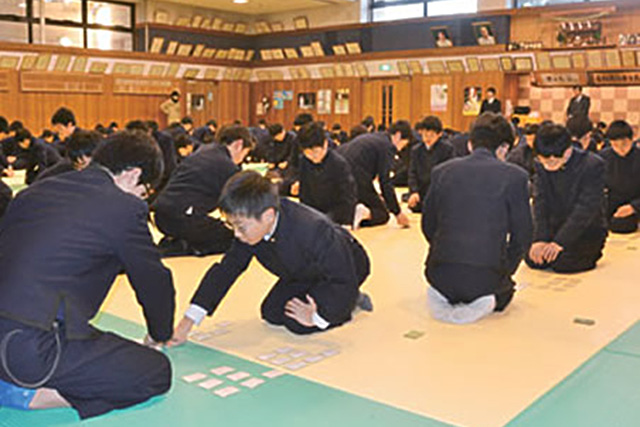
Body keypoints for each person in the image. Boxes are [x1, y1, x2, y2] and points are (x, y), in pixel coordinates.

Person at [0, 131, 175, 419]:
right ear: (133, 175)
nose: (141, 198)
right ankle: (28, 394)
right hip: (28, 350)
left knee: (95, 340)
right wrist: (160, 334)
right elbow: (153, 281)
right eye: (143, 191)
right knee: (155, 371)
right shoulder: (124, 207)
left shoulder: (35, 191)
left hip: (21, 330)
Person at [170, 171, 372, 341]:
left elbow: (342, 276)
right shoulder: (252, 228)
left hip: (345, 268)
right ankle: (330, 301)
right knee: (272, 312)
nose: (236, 234)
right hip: (303, 271)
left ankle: (351, 301)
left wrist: (318, 317)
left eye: (240, 227)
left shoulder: (313, 229)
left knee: (299, 324)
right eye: (232, 226)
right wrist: (188, 321)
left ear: (267, 215)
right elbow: (227, 269)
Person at [422, 112, 532, 324]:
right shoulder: (516, 177)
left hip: (439, 274)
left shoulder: (441, 171)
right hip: (485, 279)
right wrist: (505, 270)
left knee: (453, 281)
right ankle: (487, 299)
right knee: (505, 291)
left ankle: (443, 295)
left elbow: (429, 225)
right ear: (504, 148)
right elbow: (523, 236)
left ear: (470, 144)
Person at [153, 125, 253, 257]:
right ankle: (181, 247)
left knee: (212, 227)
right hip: (182, 219)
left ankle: (177, 241)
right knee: (231, 240)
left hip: (160, 215)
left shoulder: (203, 151)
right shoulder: (226, 166)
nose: (242, 159)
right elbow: (236, 206)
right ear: (239, 144)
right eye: (245, 153)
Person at [526, 124, 607, 273]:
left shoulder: (592, 165)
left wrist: (559, 242)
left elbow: (586, 209)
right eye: (543, 160)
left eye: (552, 162)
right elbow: (540, 202)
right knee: (533, 257)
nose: (547, 166)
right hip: (554, 226)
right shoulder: (541, 164)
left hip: (586, 229)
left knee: (563, 263)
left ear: (568, 151)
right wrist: (540, 239)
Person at [337, 121, 412, 229]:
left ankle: (350, 216)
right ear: (398, 136)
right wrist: (397, 213)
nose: (400, 149)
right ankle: (362, 213)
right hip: (356, 178)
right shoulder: (388, 147)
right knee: (382, 214)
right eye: (403, 144)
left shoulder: (375, 138)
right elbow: (385, 182)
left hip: (340, 176)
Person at [298, 122, 358, 227]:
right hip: (315, 215)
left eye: (316, 151)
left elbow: (348, 199)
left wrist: (334, 219)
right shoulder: (304, 161)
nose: (312, 156)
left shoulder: (339, 164)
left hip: (336, 216)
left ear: (325, 144)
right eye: (308, 152)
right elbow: (304, 194)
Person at [599, 120, 640, 233]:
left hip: (635, 204)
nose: (620, 149)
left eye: (624, 144)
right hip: (611, 204)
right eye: (615, 145)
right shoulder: (603, 157)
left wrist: (633, 207)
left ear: (633, 139)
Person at [408, 116, 454, 213]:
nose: (427, 138)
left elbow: (449, 174)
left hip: (439, 192)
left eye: (431, 135)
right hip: (421, 193)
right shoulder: (416, 150)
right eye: (425, 135)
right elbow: (412, 173)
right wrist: (414, 191)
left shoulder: (447, 149)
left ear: (439, 134)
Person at [36, 130, 101, 182]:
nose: (79, 169)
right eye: (75, 164)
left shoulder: (103, 173)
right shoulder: (59, 171)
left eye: (83, 163)